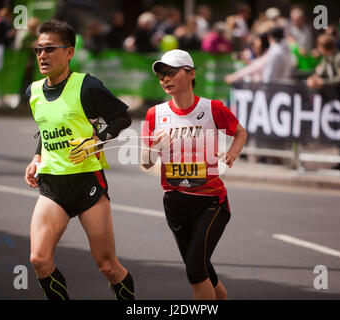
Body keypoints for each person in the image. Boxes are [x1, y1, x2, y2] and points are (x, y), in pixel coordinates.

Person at [24, 19, 134, 300]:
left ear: (69, 52)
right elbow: (47, 128)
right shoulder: (33, 92)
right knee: (39, 259)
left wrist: (97, 140)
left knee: (107, 265)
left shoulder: (88, 86)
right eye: (38, 50)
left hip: (88, 184)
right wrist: (37, 156)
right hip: (52, 186)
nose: (42, 56)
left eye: (50, 49)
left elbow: (122, 117)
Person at [141, 49, 247, 300]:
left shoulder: (212, 109)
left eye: (170, 73)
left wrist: (231, 154)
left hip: (210, 202)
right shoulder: (154, 114)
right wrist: (153, 147)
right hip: (175, 203)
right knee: (204, 270)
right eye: (160, 75)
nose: (164, 79)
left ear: (190, 74)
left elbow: (240, 132)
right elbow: (146, 163)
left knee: (195, 271)